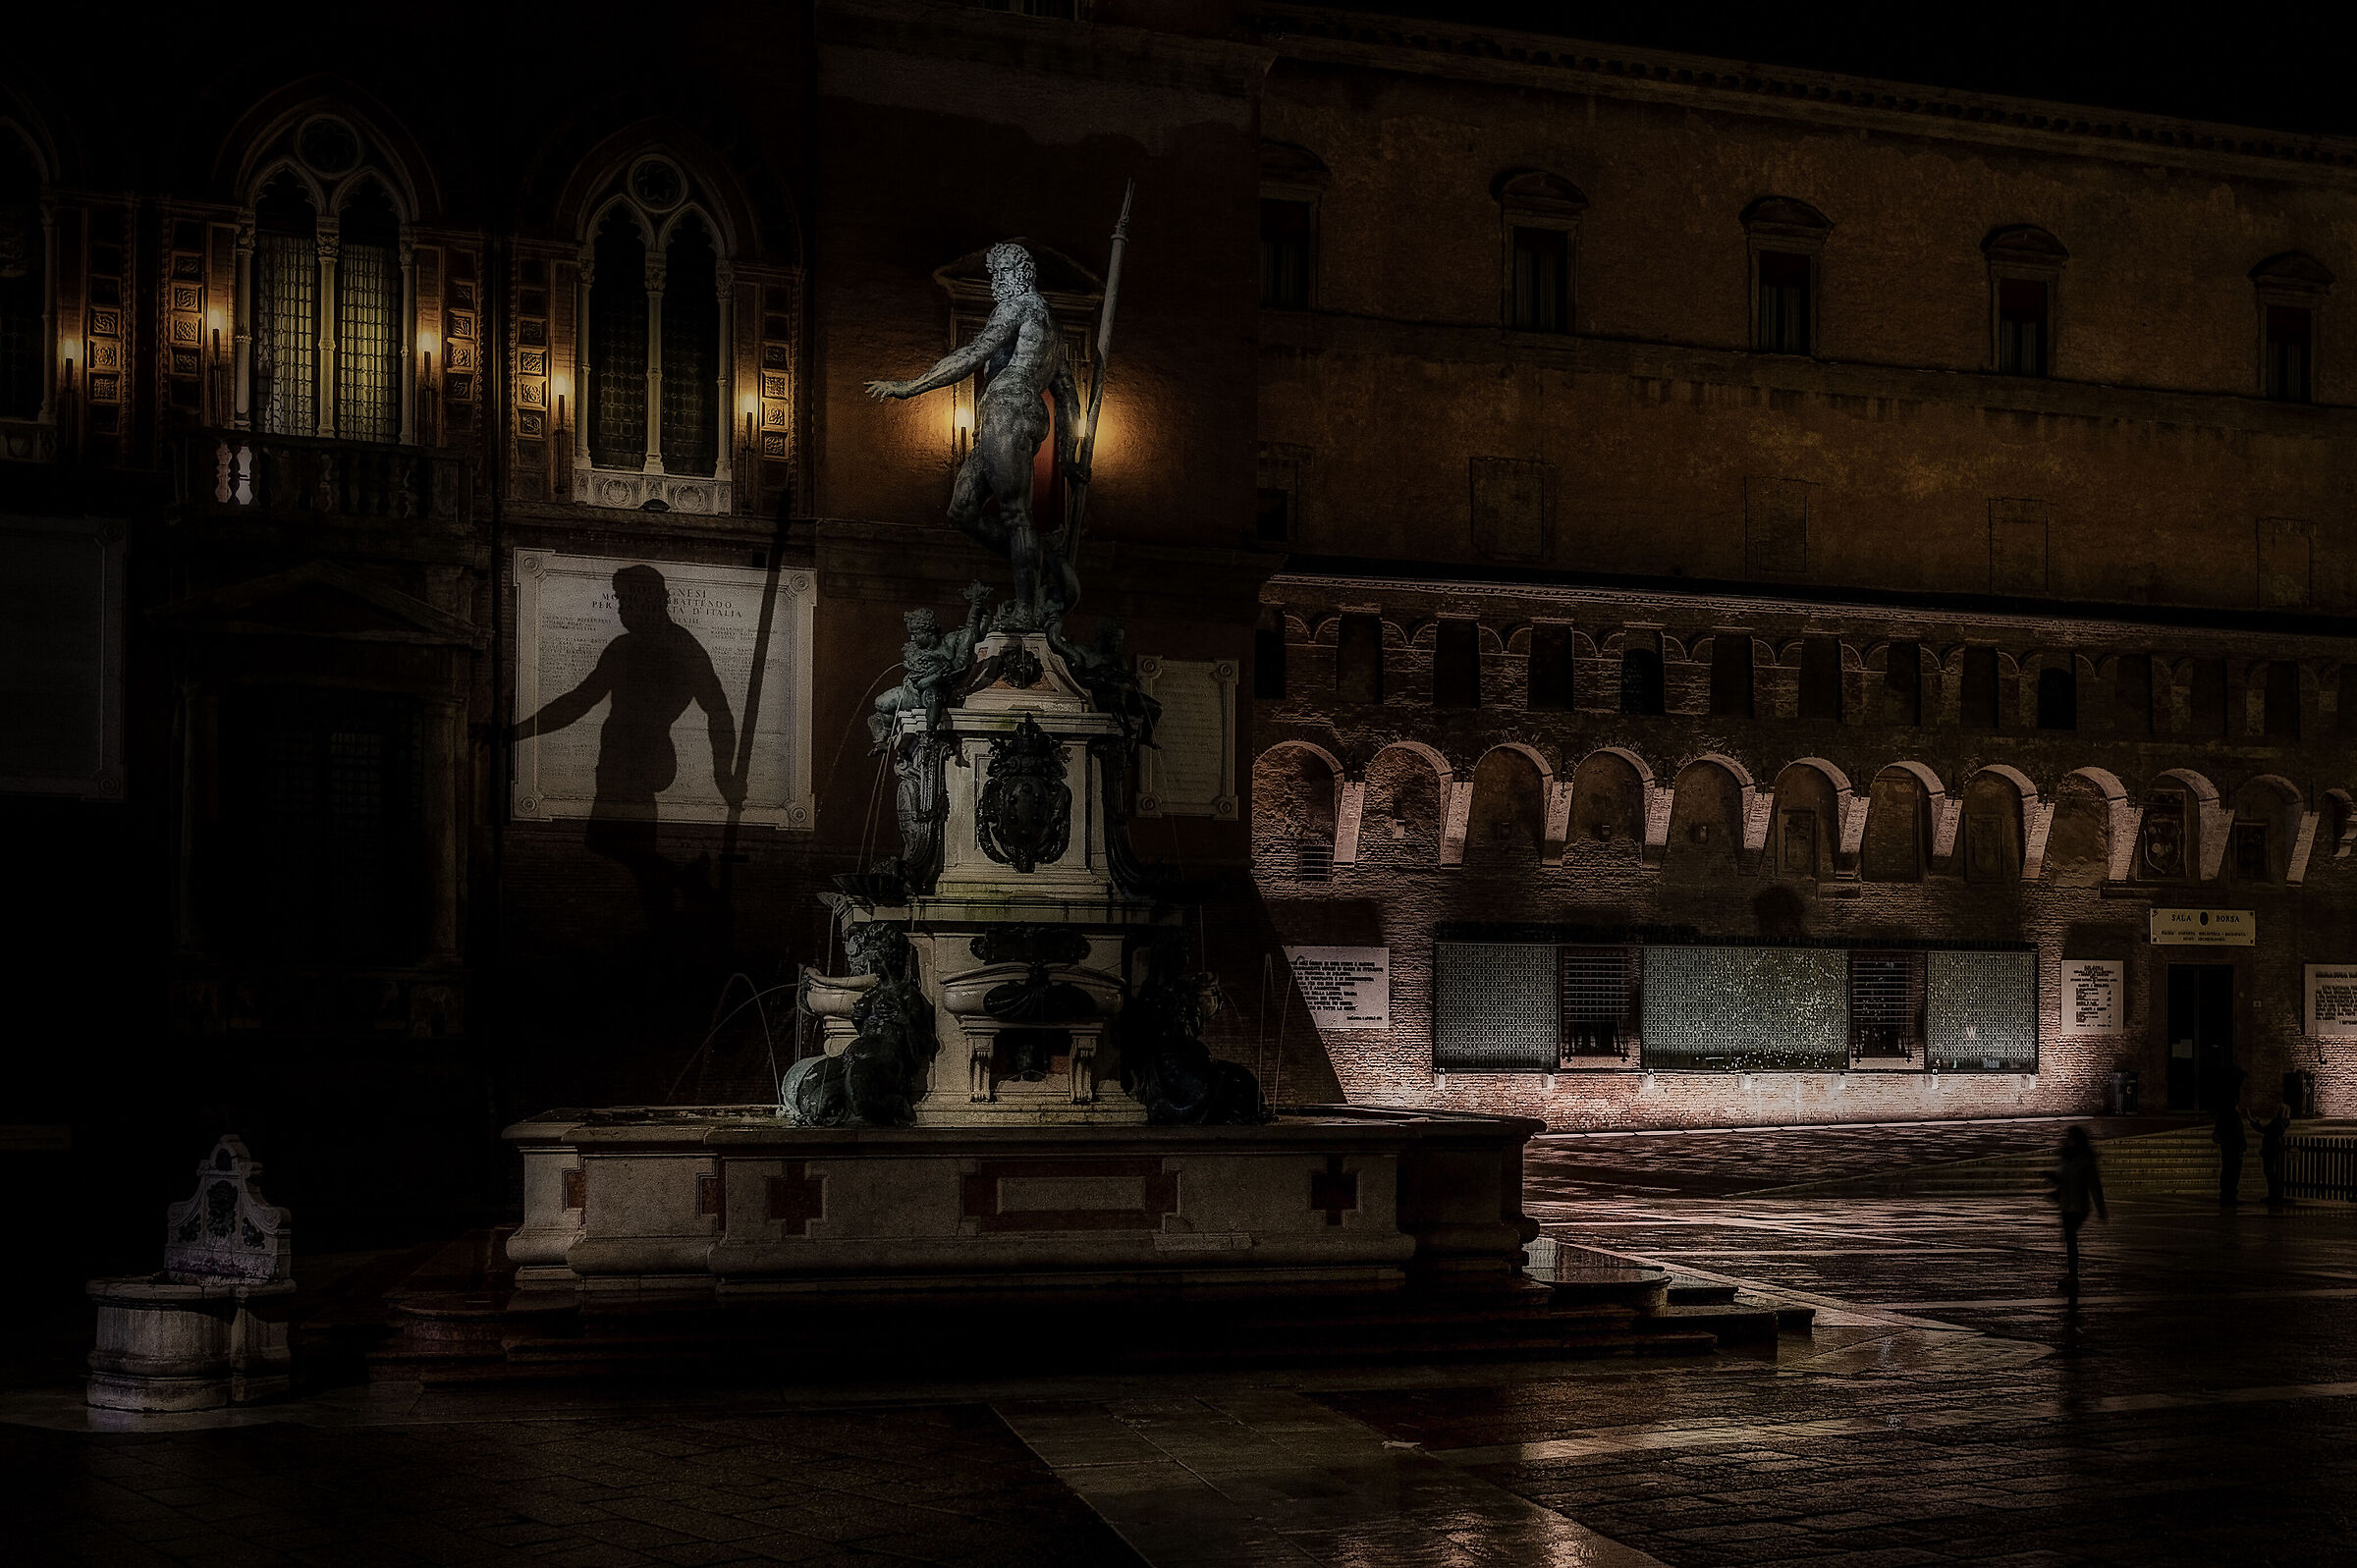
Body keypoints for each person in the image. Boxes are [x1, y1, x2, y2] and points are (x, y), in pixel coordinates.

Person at [2047, 1125, 2108, 1290]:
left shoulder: (2086, 1160)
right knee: (2069, 1238)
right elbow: (2063, 1178)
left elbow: (2095, 1185)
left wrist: (2101, 1208)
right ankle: (2072, 1274)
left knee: (2070, 1237)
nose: (2068, 1140)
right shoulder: (2066, 1157)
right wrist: (2053, 1181)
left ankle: (2073, 1275)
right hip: (2067, 1204)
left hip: (2079, 1206)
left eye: (2071, 1137)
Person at [2249, 1103, 2292, 1207]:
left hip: (2270, 1150)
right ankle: (2274, 1194)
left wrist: (2254, 1123)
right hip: (2274, 1149)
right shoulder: (2283, 1122)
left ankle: (2273, 1195)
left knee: (2269, 1172)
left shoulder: (2277, 1122)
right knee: (2271, 1173)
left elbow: (2265, 1130)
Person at [2212, 1084, 2249, 1207]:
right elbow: (2238, 1132)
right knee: (2232, 1171)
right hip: (2233, 1147)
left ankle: (2227, 1195)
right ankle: (2230, 1195)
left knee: (2228, 1171)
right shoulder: (2232, 1116)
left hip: (2229, 1147)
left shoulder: (2224, 1115)